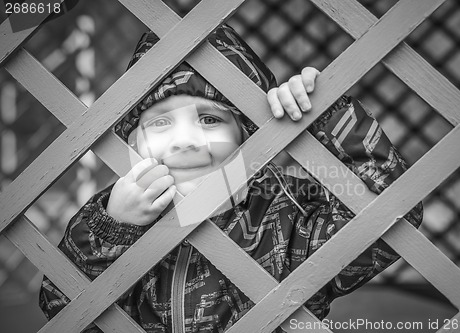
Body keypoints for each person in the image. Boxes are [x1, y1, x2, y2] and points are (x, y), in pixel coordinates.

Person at [39, 24, 423, 332]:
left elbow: (390, 217)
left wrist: (320, 113)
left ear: (246, 135)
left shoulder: (284, 211)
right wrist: (113, 227)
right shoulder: (116, 214)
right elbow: (61, 305)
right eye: (160, 123)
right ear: (133, 142)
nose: (186, 140)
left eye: (209, 119)